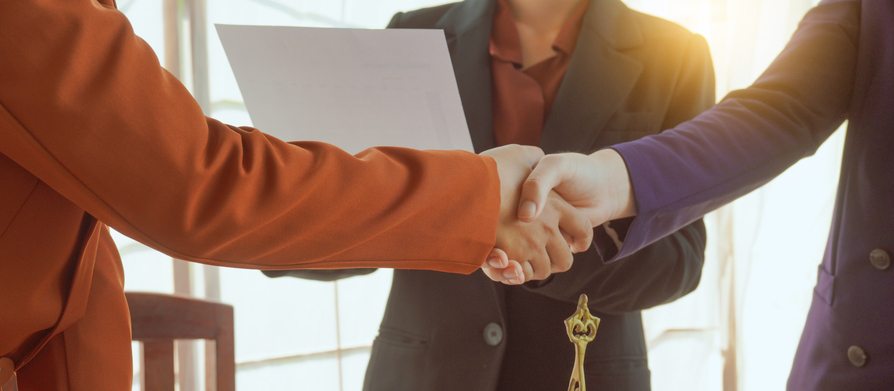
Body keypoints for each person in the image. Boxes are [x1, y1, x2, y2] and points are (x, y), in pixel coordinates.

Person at [0, 0, 597, 388]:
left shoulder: (673, 51)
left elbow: (72, 241)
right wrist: (475, 201)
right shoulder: (419, 30)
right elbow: (203, 184)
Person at [268, 0, 712, 389]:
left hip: (585, 372)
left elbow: (681, 256)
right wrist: (283, 216)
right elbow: (374, 207)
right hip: (423, 375)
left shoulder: (675, 56)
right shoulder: (413, 35)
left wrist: (543, 254)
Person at [517, 0, 892, 389]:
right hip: (849, 354)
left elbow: (681, 261)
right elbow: (782, 109)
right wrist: (615, 177)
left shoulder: (674, 50)